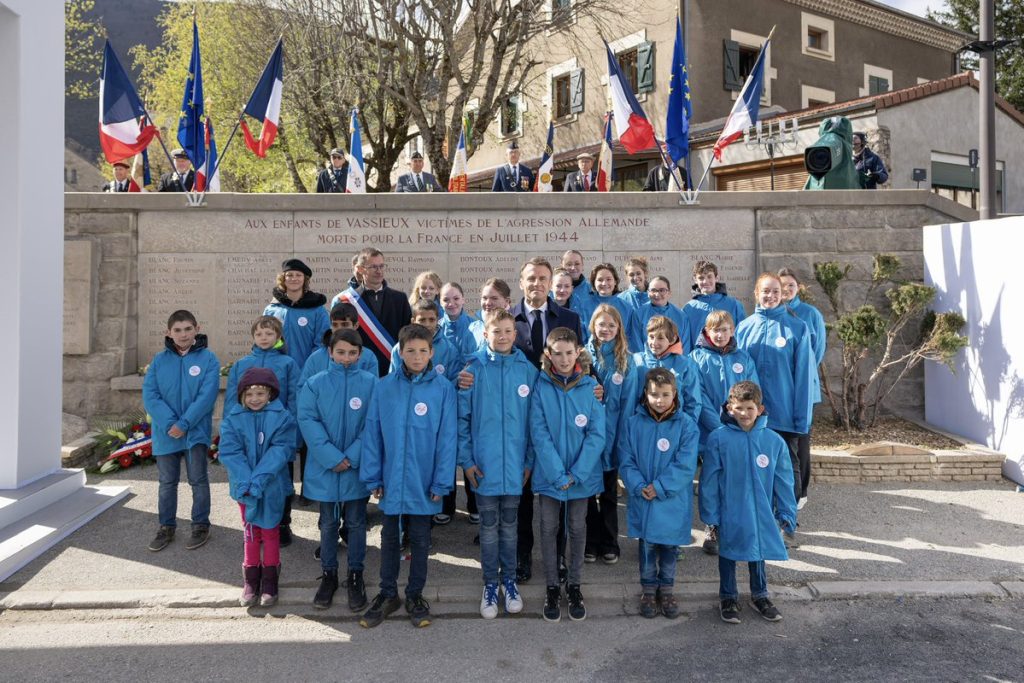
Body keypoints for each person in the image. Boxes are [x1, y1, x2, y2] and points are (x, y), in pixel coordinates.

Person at [359, 324, 457, 629]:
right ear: (400, 353)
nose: (417, 356)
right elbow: (373, 433)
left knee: (420, 538)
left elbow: (447, 439)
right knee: (389, 537)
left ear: (432, 353)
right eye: (410, 350)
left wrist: (442, 481)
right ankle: (388, 593)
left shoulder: (443, 389)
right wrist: (373, 476)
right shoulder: (384, 386)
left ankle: (415, 594)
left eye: (423, 351)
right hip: (391, 479)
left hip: (424, 480)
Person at [458, 309, 538, 619]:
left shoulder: (527, 371)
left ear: (515, 335)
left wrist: (529, 462)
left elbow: (535, 422)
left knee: (511, 528)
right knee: (489, 529)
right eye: (496, 332)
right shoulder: (472, 370)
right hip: (484, 468)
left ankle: (509, 582)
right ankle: (490, 584)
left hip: (516, 468)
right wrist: (466, 462)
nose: (502, 336)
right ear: (485, 334)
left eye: (508, 331)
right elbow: (462, 422)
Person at [509, 258, 582, 584]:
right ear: (521, 282)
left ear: (551, 282)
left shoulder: (569, 318)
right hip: (519, 419)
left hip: (559, 420)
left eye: (542, 278)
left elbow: (581, 366)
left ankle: (559, 558)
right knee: (523, 493)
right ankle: (523, 556)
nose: (536, 284)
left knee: (559, 491)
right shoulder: (509, 319)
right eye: (531, 279)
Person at [699, 381, 797, 624]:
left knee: (758, 551)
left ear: (760, 409)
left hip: (761, 510)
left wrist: (786, 512)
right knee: (728, 553)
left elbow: (784, 480)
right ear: (730, 408)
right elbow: (709, 479)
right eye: (739, 408)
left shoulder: (773, 441)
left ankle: (760, 595)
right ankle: (728, 596)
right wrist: (710, 515)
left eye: (749, 408)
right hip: (730, 509)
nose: (744, 414)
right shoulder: (718, 439)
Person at [530, 327, 606, 622]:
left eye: (568, 353)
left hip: (580, 477)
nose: (563, 359)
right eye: (557, 353)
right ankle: (552, 584)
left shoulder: (589, 387)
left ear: (578, 353)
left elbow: (597, 435)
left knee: (577, 528)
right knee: (548, 529)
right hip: (551, 477)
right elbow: (539, 433)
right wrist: (556, 473)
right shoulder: (540, 386)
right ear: (548, 355)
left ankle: (574, 584)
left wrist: (576, 472)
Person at [298, 329, 377, 611]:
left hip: (356, 468)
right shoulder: (315, 384)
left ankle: (355, 574)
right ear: (330, 352)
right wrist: (332, 457)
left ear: (360, 354)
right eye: (340, 352)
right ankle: (329, 574)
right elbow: (308, 420)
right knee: (329, 523)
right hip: (325, 468)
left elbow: (374, 423)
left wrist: (352, 456)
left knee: (356, 523)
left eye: (352, 353)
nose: (346, 358)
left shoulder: (370, 384)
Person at [619, 367, 699, 619]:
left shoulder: (686, 426)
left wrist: (661, 487)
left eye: (665, 394)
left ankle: (666, 589)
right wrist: (638, 484)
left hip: (670, 500)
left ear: (675, 394)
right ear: (645, 394)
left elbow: (686, 464)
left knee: (668, 548)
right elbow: (626, 458)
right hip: (643, 496)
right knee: (647, 547)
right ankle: (648, 589)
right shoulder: (633, 423)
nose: (660, 400)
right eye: (654, 394)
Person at [735, 272, 815, 518]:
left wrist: (802, 420)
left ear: (783, 295)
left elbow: (804, 379)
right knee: (753, 471)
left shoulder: (797, 328)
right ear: (756, 294)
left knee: (786, 471)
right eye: (765, 291)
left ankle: (786, 522)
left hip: (784, 416)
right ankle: (758, 520)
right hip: (751, 417)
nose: (770, 296)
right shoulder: (744, 327)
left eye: (775, 292)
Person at [142, 310, 219, 552]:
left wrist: (184, 424)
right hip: (166, 433)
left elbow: (207, 396)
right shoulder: (159, 360)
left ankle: (200, 525)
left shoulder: (208, 359)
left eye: (188, 329)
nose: (183, 334)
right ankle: (166, 526)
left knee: (198, 479)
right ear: (168, 333)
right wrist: (169, 424)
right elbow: (150, 395)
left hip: (194, 431)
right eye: (177, 330)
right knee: (167, 482)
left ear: (197, 328)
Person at [218, 367, 296, 608]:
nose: (255, 399)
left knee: (270, 531)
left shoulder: (282, 418)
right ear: (242, 395)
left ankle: (270, 579)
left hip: (270, 485)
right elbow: (230, 452)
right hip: (245, 487)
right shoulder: (233, 418)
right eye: (250, 394)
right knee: (250, 531)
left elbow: (280, 451)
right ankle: (251, 580)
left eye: (260, 394)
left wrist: (258, 480)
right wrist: (247, 482)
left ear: (270, 394)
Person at [689, 310, 759, 554]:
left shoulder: (744, 358)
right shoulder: (696, 358)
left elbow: (752, 391)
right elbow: (699, 396)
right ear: (706, 332)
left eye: (724, 329)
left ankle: (736, 527)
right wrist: (719, 425)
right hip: (712, 432)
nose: (720, 334)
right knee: (712, 482)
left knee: (738, 481)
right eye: (715, 330)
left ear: (732, 331)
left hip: (741, 430)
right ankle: (712, 527)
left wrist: (743, 421)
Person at [583, 304, 637, 565]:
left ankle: (609, 541)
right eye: (601, 324)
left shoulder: (626, 360)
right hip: (585, 438)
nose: (605, 330)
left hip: (612, 436)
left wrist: (621, 443)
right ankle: (590, 542)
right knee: (586, 493)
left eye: (611, 326)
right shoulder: (582, 357)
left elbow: (627, 407)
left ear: (619, 329)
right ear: (593, 326)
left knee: (607, 493)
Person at [779, 267, 827, 511]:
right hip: (780, 390)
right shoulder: (773, 313)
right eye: (782, 285)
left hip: (804, 387)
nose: (786, 290)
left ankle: (802, 491)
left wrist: (801, 375)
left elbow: (816, 352)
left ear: (798, 288)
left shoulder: (810, 314)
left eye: (791, 285)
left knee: (801, 441)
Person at [333, 247, 413, 377]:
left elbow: (406, 334)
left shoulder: (400, 298)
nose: (379, 271)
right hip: (359, 366)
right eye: (374, 267)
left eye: (382, 266)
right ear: (360, 269)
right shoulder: (346, 300)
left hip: (392, 368)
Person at [633, 315, 701, 428]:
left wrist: (687, 428)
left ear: (672, 339)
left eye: (660, 338)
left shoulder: (685, 364)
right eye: (651, 337)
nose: (654, 342)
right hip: (642, 426)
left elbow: (693, 401)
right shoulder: (636, 361)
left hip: (674, 426)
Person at [300, 302, 379, 386]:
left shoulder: (369, 357)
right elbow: (303, 389)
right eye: (335, 325)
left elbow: (373, 391)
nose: (340, 329)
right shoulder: (315, 358)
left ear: (356, 325)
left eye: (345, 324)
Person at [682, 260, 747, 346]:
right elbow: (685, 340)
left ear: (716, 278)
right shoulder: (689, 308)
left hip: (728, 357)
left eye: (709, 277)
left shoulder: (734, 305)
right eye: (701, 278)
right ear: (695, 280)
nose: (705, 281)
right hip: (698, 358)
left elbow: (742, 335)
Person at [583, 263, 635, 352]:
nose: (604, 283)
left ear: (615, 281)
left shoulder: (626, 307)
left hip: (619, 355)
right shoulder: (584, 306)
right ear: (593, 282)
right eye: (600, 280)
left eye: (608, 279)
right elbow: (582, 335)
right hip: (592, 355)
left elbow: (630, 336)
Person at [629, 276, 688, 353]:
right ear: (648, 293)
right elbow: (636, 345)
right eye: (653, 290)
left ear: (669, 293)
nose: (657, 294)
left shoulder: (681, 316)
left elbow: (685, 347)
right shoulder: (639, 314)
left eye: (662, 290)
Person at [466, 278, 513, 354]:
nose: (488, 303)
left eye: (494, 298)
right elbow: (465, 358)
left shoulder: (515, 326)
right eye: (484, 298)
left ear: (506, 301)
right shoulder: (472, 328)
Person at [439, 282, 476, 354]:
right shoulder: (436, 329)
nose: (451, 304)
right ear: (440, 303)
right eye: (446, 300)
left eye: (456, 298)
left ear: (463, 300)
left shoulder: (475, 327)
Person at [560, 250, 593, 324]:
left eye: (577, 264)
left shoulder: (592, 291)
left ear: (582, 266)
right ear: (562, 266)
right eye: (569, 264)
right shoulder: (551, 292)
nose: (573, 267)